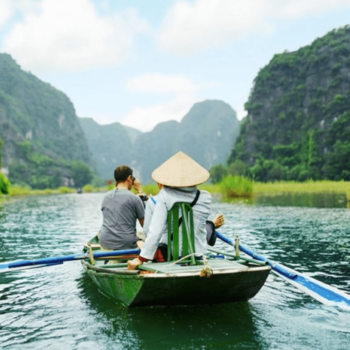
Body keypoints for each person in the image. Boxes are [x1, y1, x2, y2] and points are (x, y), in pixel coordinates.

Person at [128, 151, 215, 270]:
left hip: (172, 256)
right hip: (198, 255)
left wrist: (141, 259)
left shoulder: (164, 196)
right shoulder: (206, 197)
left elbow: (155, 231)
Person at [99, 165, 145, 251]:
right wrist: (140, 190)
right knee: (144, 238)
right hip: (126, 246)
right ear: (129, 178)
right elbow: (144, 226)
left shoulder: (106, 197)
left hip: (105, 244)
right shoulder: (135, 198)